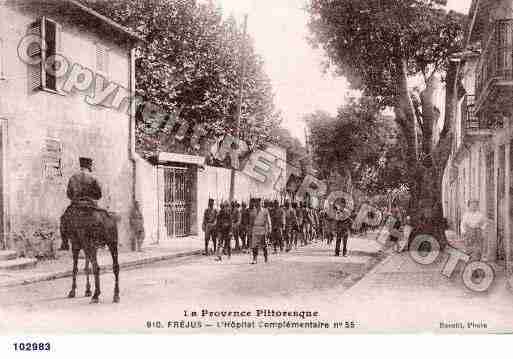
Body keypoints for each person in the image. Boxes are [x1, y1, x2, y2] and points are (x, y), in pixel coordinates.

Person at [60, 157, 103, 251]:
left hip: (76, 205)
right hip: (91, 205)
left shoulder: (73, 177)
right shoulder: (93, 178)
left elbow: (69, 194)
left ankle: (64, 243)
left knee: (63, 219)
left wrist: (75, 198)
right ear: (89, 166)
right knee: (102, 220)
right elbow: (99, 194)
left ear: (81, 165)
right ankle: (100, 240)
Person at [249, 198, 271, 264]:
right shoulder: (252, 212)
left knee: (264, 244)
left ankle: (266, 257)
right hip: (255, 229)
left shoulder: (265, 211)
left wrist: (269, 229)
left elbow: (268, 221)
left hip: (262, 229)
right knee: (254, 245)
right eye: (256, 203)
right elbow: (251, 222)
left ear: (261, 204)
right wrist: (250, 230)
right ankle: (254, 258)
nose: (257, 204)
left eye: (259, 203)